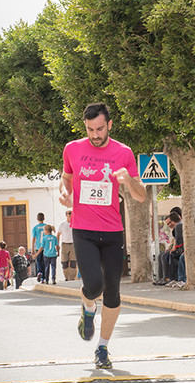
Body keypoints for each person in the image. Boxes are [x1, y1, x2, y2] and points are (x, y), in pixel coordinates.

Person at [59, 101, 146, 369]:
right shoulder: (72, 149)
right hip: (83, 230)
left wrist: (127, 180)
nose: (95, 135)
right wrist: (65, 194)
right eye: (89, 130)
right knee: (93, 285)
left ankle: (103, 348)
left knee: (113, 293)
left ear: (109, 124)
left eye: (99, 129)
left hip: (112, 231)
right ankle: (87, 308)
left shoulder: (124, 152)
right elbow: (66, 178)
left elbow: (140, 196)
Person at [57, 209, 77, 280]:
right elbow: (58, 234)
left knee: (73, 262)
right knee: (64, 262)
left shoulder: (75, 223)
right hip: (64, 244)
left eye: (71, 213)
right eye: (69, 213)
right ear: (66, 215)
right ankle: (66, 277)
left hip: (73, 244)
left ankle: (72, 278)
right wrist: (57, 245)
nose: (70, 215)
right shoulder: (62, 224)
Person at [31, 212, 47, 282]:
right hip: (46, 247)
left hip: (38, 247)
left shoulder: (35, 228)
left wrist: (32, 249)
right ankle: (43, 277)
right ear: (44, 218)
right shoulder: (46, 226)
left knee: (38, 261)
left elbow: (33, 239)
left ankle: (39, 272)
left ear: (37, 219)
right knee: (44, 262)